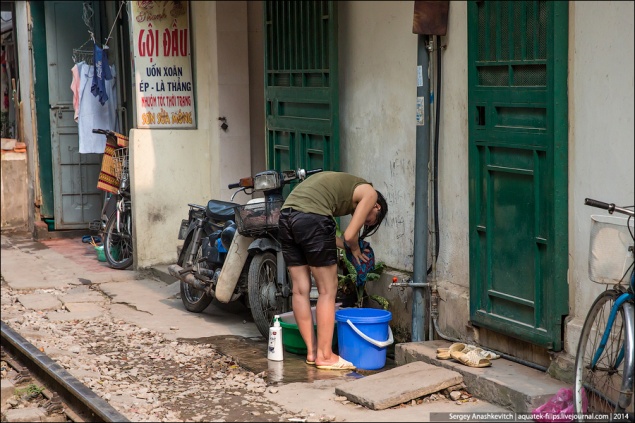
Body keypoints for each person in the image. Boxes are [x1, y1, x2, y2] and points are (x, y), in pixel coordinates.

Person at [277, 171, 388, 370]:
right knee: (327, 290)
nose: (363, 220)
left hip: (286, 217)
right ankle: (326, 355)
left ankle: (312, 352)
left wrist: (347, 246)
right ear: (376, 207)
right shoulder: (370, 193)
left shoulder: (343, 188)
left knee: (300, 290)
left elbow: (326, 236)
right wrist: (354, 248)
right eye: (369, 220)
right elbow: (349, 235)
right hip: (311, 218)